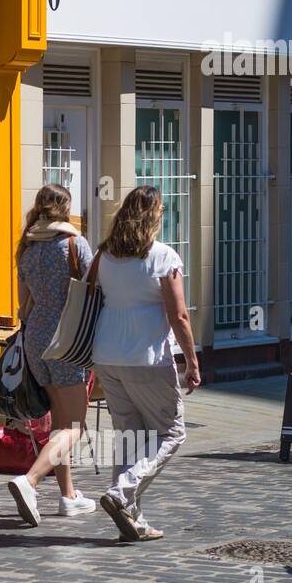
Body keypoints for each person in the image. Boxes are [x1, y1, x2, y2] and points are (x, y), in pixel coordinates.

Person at [90, 186, 200, 542]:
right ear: (154, 217)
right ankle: (122, 492)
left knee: (130, 437)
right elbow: (179, 315)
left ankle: (132, 519)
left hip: (107, 356)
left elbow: (90, 295)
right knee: (171, 432)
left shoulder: (104, 255)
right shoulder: (163, 257)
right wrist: (192, 362)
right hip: (147, 358)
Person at [7, 184, 98, 526]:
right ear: (66, 207)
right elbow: (93, 290)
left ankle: (68, 496)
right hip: (67, 341)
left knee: (59, 424)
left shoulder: (28, 248)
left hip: (36, 339)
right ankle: (30, 481)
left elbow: (22, 302)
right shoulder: (75, 244)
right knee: (73, 426)